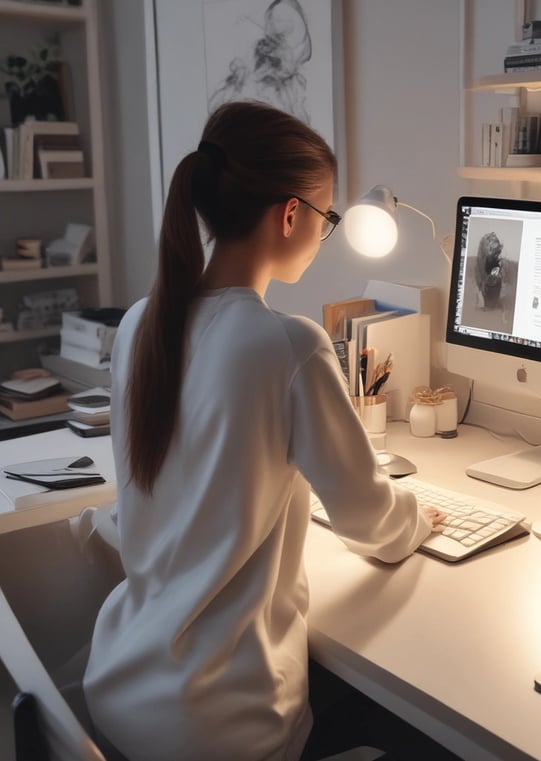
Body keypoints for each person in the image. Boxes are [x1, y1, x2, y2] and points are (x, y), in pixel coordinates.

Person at [83, 100, 444, 761]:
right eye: (328, 217)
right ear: (289, 214)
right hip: (223, 723)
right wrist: (422, 519)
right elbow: (372, 521)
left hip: (122, 688)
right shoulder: (288, 346)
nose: (325, 232)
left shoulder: (140, 324)